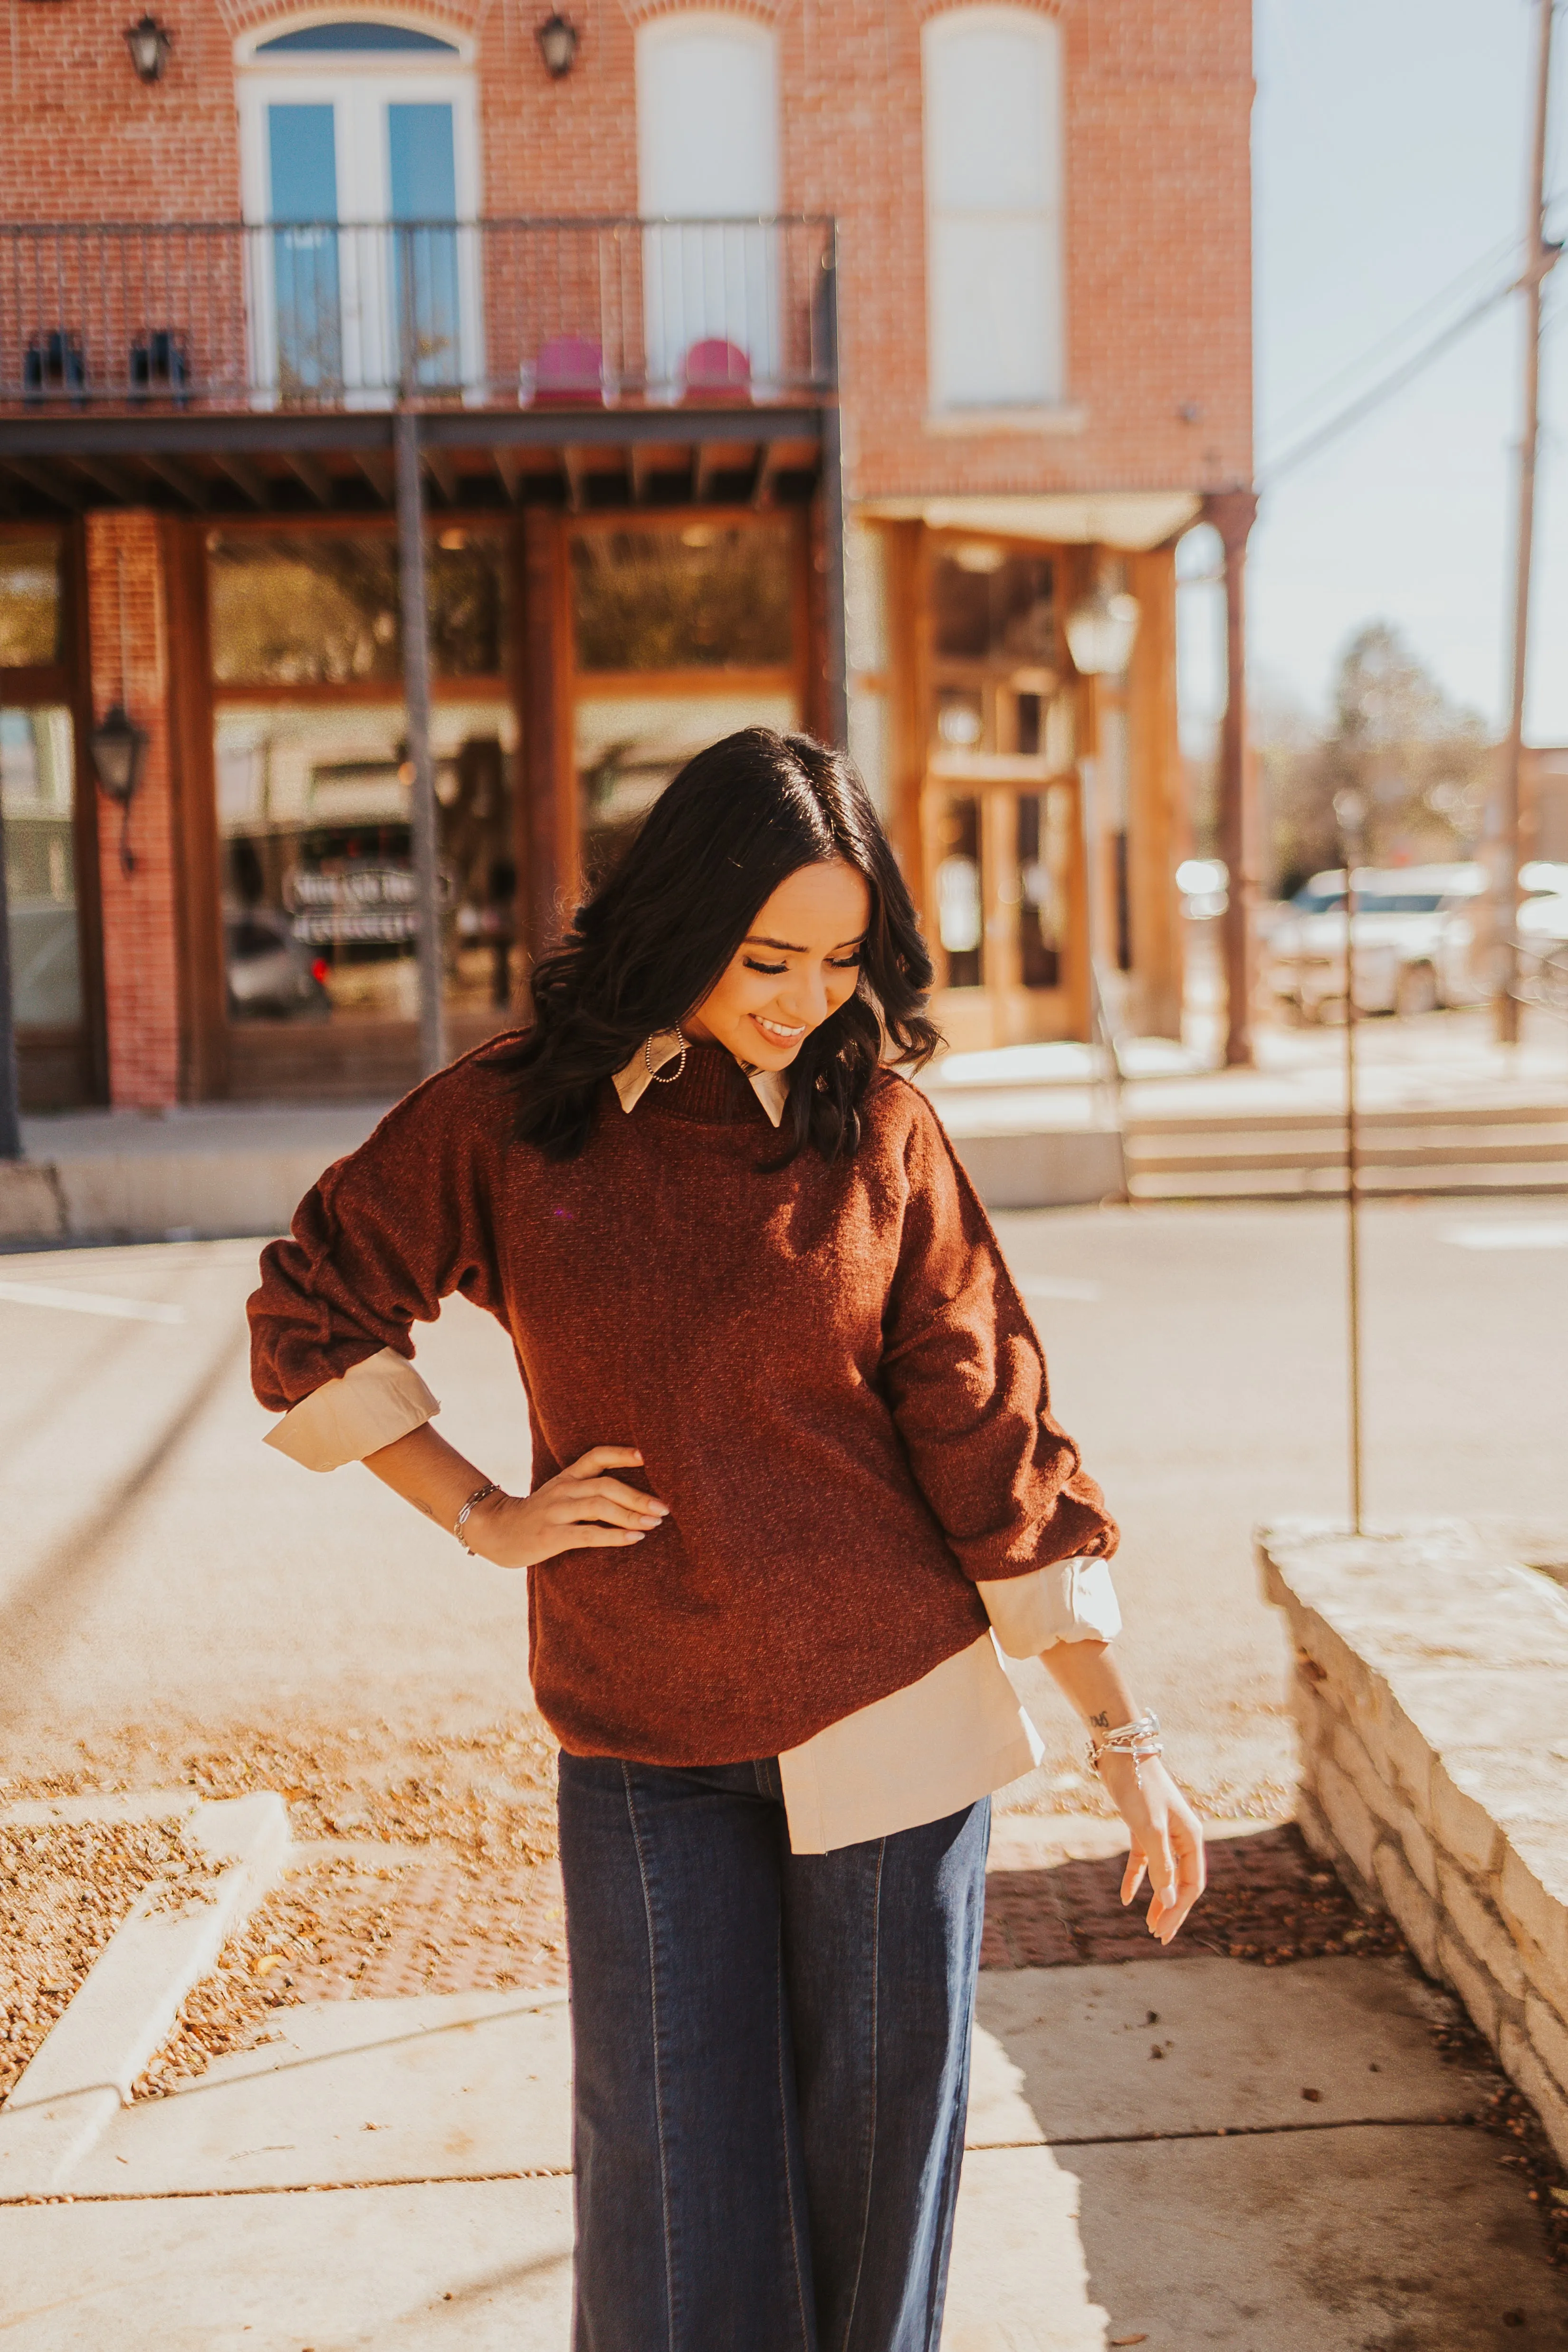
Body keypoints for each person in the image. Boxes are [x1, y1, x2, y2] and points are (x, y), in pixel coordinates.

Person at [249, 727, 1205, 2352]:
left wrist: (1124, 1733)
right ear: (679, 918)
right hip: (640, 1733)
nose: (803, 996)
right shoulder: (512, 1118)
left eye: (840, 959)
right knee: (675, 2209)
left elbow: (989, 1435)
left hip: (896, 1719)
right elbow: (311, 1309)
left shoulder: (881, 1133)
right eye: (767, 956)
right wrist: (486, 1513)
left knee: (874, 2194)